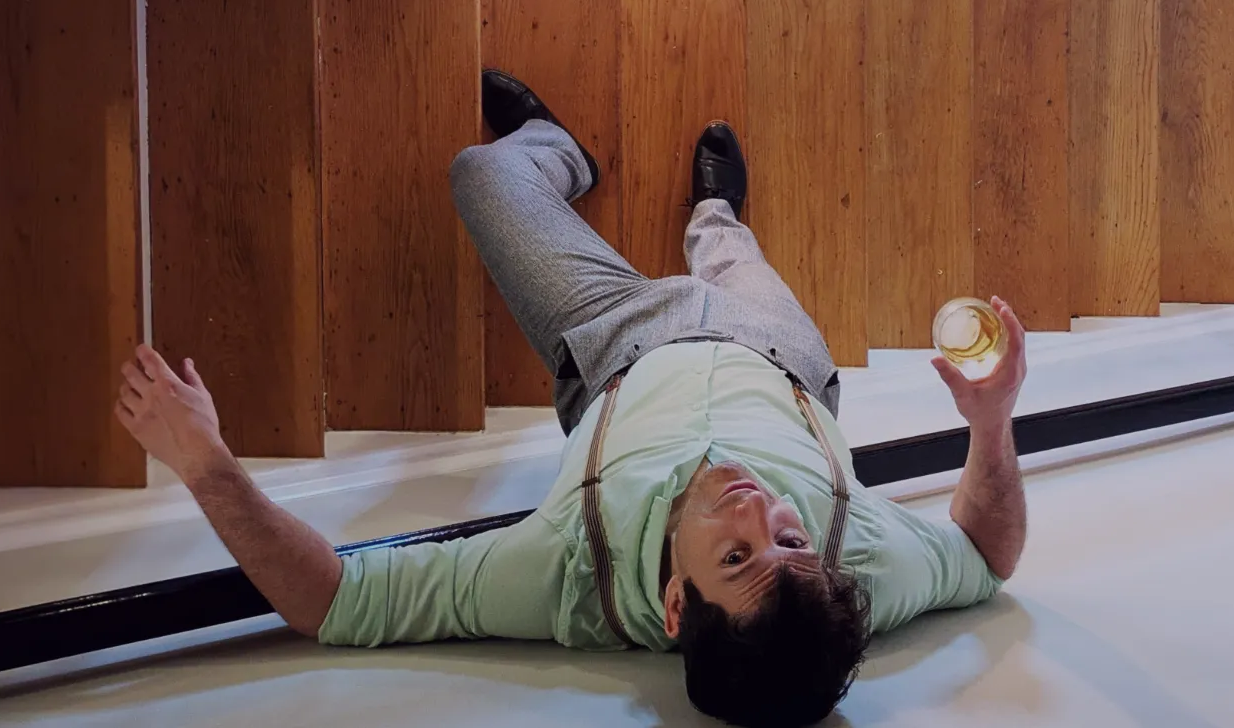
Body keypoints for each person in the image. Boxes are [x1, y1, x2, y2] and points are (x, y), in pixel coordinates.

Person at [115, 70, 1028, 728]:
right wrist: (991, 423)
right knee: (727, 250)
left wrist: (206, 467)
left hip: (613, 339)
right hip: (777, 352)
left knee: (481, 174)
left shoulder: (560, 583)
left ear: (675, 607)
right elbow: (987, 554)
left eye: (739, 555)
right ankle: (716, 214)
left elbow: (333, 602)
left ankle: (553, 147)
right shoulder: (852, 575)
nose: (760, 510)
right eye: (790, 539)